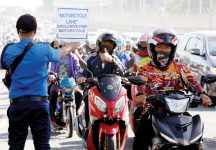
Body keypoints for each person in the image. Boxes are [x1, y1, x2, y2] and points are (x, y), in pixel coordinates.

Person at [0, 14, 78, 150]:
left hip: (18, 105)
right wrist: (73, 44)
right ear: (35, 31)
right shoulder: (44, 49)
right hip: (39, 104)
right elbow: (62, 53)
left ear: (17, 30)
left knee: (15, 146)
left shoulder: (8, 50)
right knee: (42, 146)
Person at [133, 27, 212, 150]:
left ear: (173, 49)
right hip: (153, 111)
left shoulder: (180, 68)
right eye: (159, 47)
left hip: (178, 111)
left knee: (196, 140)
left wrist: (202, 94)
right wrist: (140, 95)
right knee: (141, 136)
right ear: (152, 49)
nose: (163, 50)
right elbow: (140, 84)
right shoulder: (144, 69)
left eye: (167, 47)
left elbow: (192, 82)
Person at [76, 32, 125, 127]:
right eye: (105, 42)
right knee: (87, 102)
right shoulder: (91, 58)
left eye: (110, 43)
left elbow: (122, 72)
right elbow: (81, 72)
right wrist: (81, 77)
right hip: (93, 89)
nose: (107, 45)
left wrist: (111, 60)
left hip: (111, 91)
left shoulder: (115, 58)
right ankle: (87, 127)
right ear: (99, 43)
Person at [48, 43, 82, 126]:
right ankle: (52, 116)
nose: (61, 47)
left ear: (68, 46)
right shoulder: (54, 58)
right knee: (53, 94)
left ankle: (76, 111)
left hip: (71, 83)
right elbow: (51, 70)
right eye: (59, 46)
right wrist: (52, 75)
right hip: (58, 82)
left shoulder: (73, 57)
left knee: (79, 95)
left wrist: (79, 77)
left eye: (64, 45)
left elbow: (78, 70)